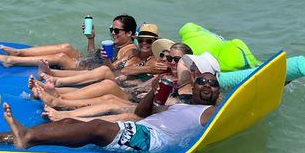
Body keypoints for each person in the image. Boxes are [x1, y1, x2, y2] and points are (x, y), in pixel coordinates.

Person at [0, 72, 220, 153]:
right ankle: (9, 137)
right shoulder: (179, 105)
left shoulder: (210, 111)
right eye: (202, 81)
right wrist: (153, 91)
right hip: (142, 129)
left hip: (156, 140)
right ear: (195, 86)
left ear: (218, 91)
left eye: (213, 83)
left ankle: (27, 137)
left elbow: (229, 113)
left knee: (97, 127)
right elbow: (143, 112)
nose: (207, 85)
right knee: (67, 121)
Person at [41, 40, 192, 122]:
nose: (171, 61)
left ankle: (60, 101)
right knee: (107, 90)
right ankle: (58, 97)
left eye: (176, 60)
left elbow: (179, 103)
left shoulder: (185, 79)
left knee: (109, 95)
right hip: (137, 98)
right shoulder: (161, 70)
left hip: (145, 106)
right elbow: (136, 79)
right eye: (169, 58)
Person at [30, 24, 169, 111]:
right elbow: (117, 68)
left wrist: (148, 70)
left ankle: (55, 85)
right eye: (141, 40)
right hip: (118, 80)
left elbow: (126, 71)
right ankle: (53, 86)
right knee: (102, 71)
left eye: (149, 41)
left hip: (128, 90)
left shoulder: (156, 62)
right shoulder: (134, 54)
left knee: (103, 76)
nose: (144, 43)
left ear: (155, 43)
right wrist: (106, 58)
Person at [0, 14, 137, 70]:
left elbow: (113, 70)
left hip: (89, 70)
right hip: (89, 61)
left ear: (129, 33)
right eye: (112, 29)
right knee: (66, 47)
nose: (113, 33)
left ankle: (11, 60)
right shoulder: (116, 44)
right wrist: (91, 38)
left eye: (117, 31)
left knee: (61, 57)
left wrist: (106, 59)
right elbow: (92, 54)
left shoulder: (129, 50)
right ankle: (19, 52)